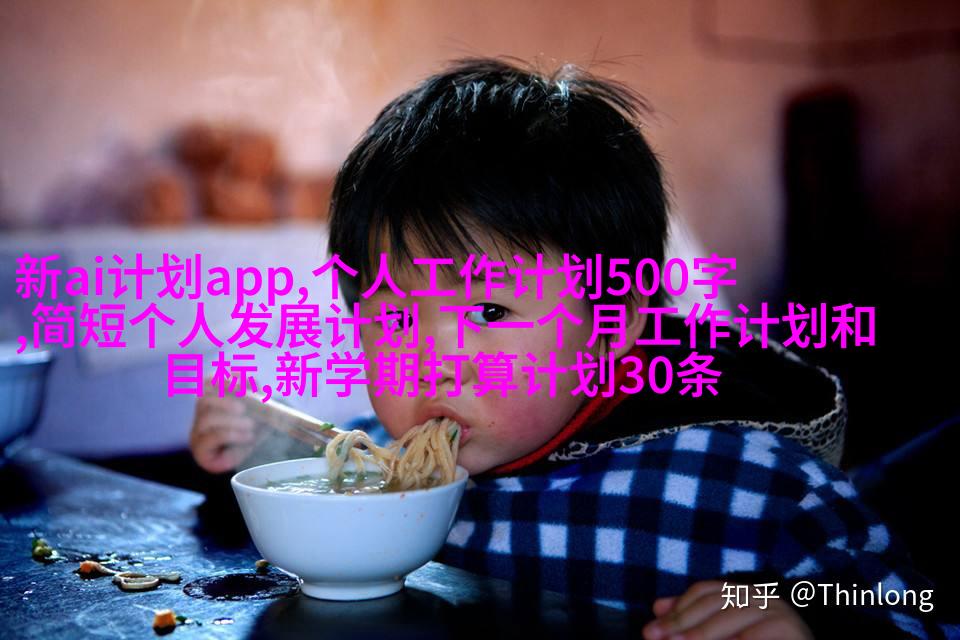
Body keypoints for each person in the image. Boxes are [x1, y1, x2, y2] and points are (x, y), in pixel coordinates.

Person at [191, 58, 948, 639]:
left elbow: (910, 606)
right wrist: (256, 449)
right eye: (393, 319)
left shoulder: (746, 484)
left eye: (490, 310)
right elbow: (321, 476)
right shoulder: (382, 464)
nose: (434, 362)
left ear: (612, 326)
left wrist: (810, 621)